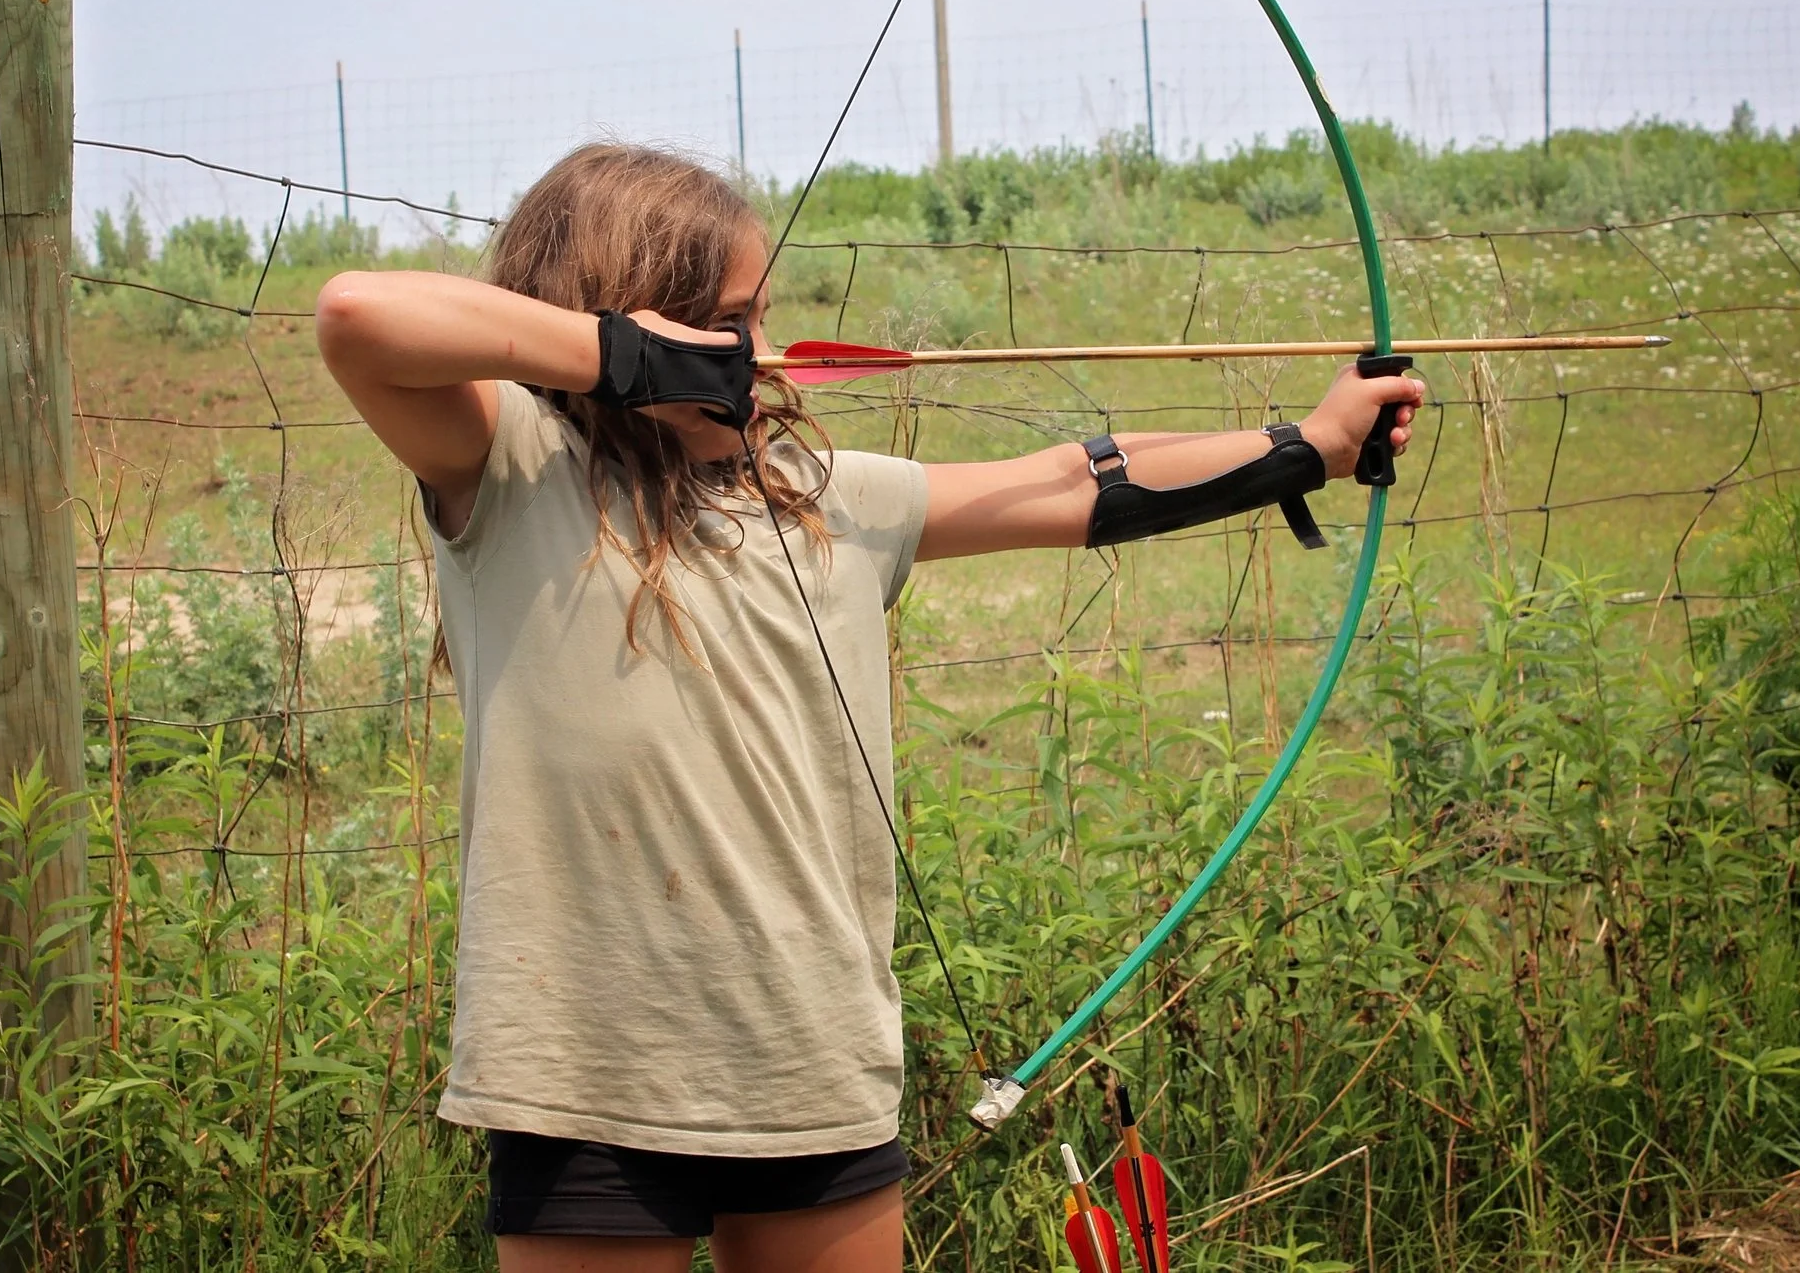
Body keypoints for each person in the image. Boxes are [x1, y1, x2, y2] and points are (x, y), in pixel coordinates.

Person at [314, 142, 1423, 1273]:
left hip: (808, 1055)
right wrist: (622, 359)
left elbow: (1074, 480)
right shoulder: (512, 468)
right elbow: (359, 316)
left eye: (758, 318)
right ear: (636, 323)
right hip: (590, 1066)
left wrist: (1312, 446)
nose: (755, 353)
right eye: (725, 325)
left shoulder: (832, 499)